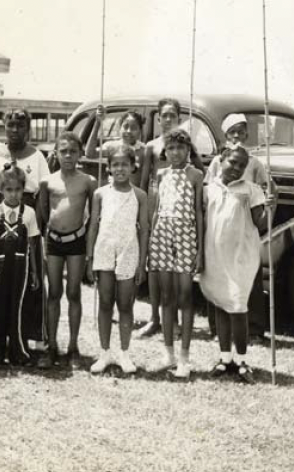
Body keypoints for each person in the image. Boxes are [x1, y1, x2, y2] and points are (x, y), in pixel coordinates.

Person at [0, 108, 50, 347]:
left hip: (27, 218)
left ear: (27, 129)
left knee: (30, 276)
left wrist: (36, 226)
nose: (15, 130)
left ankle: (28, 338)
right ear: (4, 127)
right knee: (0, 279)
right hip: (0, 217)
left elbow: (41, 195)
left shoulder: (37, 156)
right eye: (11, 126)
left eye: (20, 126)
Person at [200, 145, 269, 383]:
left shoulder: (251, 190)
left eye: (242, 165)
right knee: (220, 303)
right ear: (221, 160)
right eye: (233, 163)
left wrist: (270, 206)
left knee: (238, 306)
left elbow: (260, 224)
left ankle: (241, 360)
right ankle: (225, 358)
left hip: (241, 256)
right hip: (215, 254)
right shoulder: (209, 189)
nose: (237, 168)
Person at [138, 98, 204, 338]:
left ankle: (174, 320)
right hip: (157, 209)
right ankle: (155, 318)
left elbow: (199, 172)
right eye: (163, 115)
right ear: (158, 118)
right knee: (155, 269)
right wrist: (144, 213)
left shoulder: (185, 145)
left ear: (179, 118)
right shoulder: (152, 146)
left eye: (172, 116)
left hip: (180, 211)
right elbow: (145, 181)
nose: (167, 120)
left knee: (177, 271)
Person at [205, 112, 274, 341]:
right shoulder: (217, 162)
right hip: (221, 225)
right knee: (218, 276)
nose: (237, 135)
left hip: (246, 223)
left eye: (241, 131)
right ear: (226, 135)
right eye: (232, 132)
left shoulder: (255, 162)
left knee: (249, 277)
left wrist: (270, 199)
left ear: (246, 133)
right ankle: (217, 329)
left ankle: (254, 329)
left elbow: (266, 187)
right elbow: (209, 189)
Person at [86, 146, 149, 374]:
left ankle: (124, 353)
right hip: (104, 251)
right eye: (115, 164)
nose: (120, 168)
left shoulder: (140, 196)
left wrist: (142, 263)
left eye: (125, 164)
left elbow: (143, 230)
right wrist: (89, 257)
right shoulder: (100, 194)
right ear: (109, 167)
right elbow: (93, 225)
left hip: (128, 252)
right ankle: (104, 353)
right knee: (105, 302)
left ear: (133, 166)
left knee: (125, 304)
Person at [37, 132, 97, 369]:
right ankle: (52, 346)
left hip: (76, 243)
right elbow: (43, 213)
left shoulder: (88, 182)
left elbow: (93, 215)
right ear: (56, 154)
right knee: (54, 293)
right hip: (53, 242)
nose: (68, 156)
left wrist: (89, 245)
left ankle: (73, 347)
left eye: (73, 151)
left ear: (80, 153)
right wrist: (45, 237)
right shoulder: (47, 181)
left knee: (73, 293)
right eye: (63, 151)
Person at [148, 128, 204, 379]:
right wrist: (152, 240)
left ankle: (184, 357)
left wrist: (200, 249)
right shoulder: (161, 175)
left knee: (185, 295)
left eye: (180, 147)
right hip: (161, 237)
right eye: (170, 148)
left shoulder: (196, 175)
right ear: (165, 151)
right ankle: (168, 353)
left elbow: (199, 213)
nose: (175, 152)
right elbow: (157, 210)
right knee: (166, 296)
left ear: (188, 150)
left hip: (186, 238)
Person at [0, 165, 40, 366]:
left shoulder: (29, 214)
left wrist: (34, 273)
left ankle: (18, 352)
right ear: (1, 190)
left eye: (18, 190)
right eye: (9, 190)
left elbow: (32, 245)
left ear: (24, 189)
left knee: (18, 308)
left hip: (20, 269)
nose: (14, 194)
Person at [85, 108, 146, 188]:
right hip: (113, 193)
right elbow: (90, 153)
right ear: (119, 128)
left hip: (134, 196)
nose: (129, 131)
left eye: (134, 128)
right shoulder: (112, 146)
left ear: (140, 131)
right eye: (125, 127)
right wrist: (98, 122)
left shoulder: (143, 150)